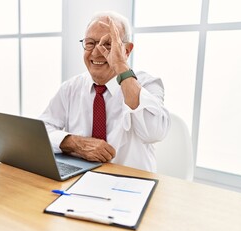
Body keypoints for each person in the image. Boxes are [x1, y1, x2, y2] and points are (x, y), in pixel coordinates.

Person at [39, 11, 170, 172]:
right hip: (78, 180)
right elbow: (41, 130)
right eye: (90, 43)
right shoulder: (71, 87)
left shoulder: (147, 84)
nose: (96, 52)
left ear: (127, 50)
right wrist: (74, 143)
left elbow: (154, 133)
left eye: (108, 44)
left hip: (131, 184)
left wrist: (121, 66)